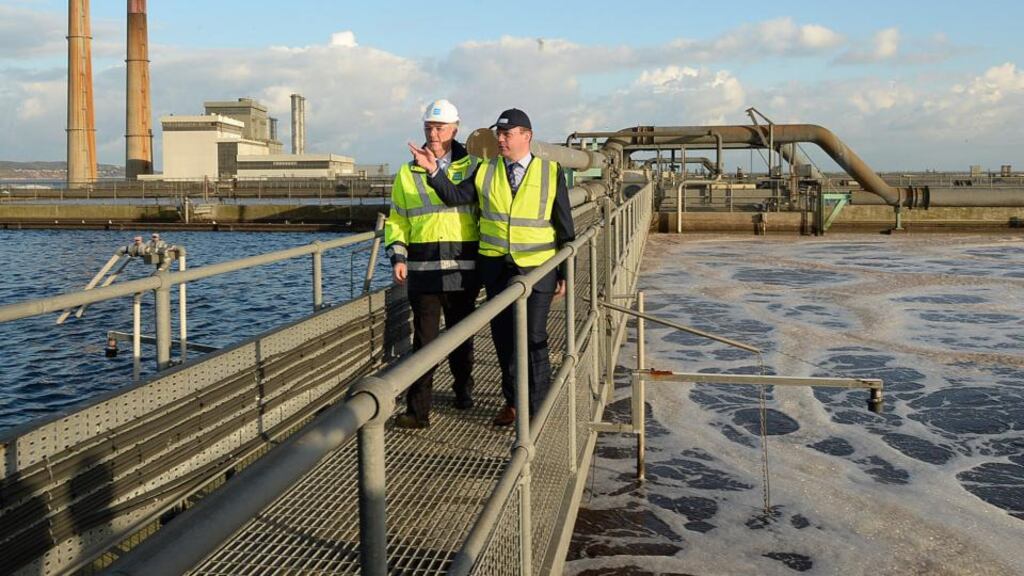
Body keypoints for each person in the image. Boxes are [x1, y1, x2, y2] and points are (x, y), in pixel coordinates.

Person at [409, 108, 575, 426]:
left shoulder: (549, 171)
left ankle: (536, 408)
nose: (500, 139)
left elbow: (564, 224)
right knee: (503, 338)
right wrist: (433, 172)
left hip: (537, 267)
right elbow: (455, 197)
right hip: (497, 267)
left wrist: (565, 272)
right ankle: (513, 402)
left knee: (534, 337)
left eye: (506, 134)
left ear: (526, 136)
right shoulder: (485, 170)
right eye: (498, 133)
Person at [385, 99, 481, 429]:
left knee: (461, 337)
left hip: (461, 269)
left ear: (455, 129)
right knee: (424, 343)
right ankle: (418, 411)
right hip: (423, 269)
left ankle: (463, 389)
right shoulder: (407, 172)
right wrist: (398, 256)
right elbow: (398, 219)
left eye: (440, 128)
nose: (433, 133)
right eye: (429, 127)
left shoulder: (472, 167)